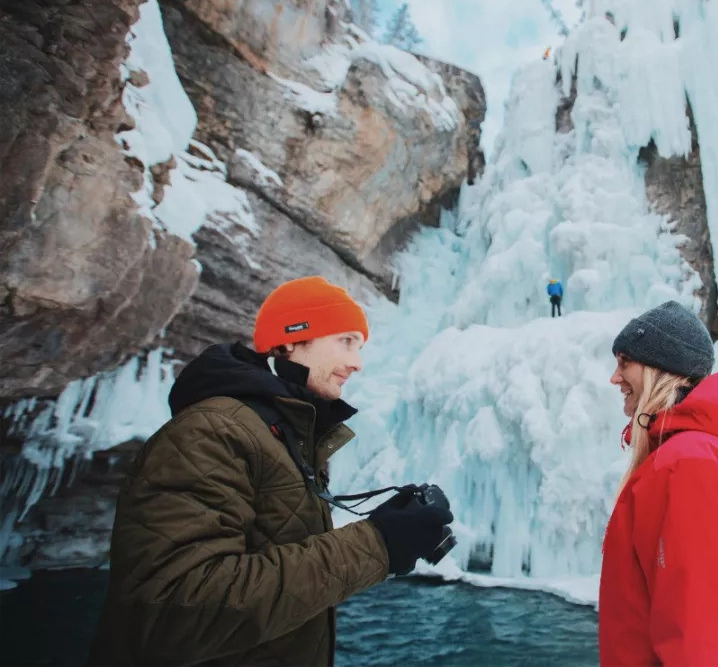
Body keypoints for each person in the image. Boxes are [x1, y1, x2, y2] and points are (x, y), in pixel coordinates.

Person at [89, 276, 453, 666]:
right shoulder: (211, 433)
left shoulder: (281, 437)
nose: (357, 363)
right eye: (346, 341)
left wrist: (391, 529)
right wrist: (377, 544)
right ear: (292, 340)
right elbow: (174, 612)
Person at [599, 301, 718, 666]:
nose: (614, 378)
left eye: (624, 362)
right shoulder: (684, 456)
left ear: (657, 368)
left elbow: (703, 642)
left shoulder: (693, 463)